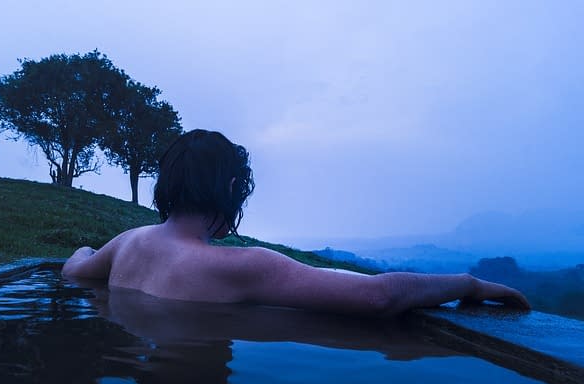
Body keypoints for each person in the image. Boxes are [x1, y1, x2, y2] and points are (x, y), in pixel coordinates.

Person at [62, 129, 530, 316]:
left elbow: (73, 269)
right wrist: (467, 283)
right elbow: (380, 295)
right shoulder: (241, 266)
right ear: (230, 189)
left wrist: (86, 250)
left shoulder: (128, 243)